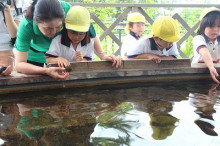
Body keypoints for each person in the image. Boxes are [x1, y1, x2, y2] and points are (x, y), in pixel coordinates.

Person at [14, 0, 96, 80]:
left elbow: (91, 32)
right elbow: (19, 65)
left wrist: (102, 55)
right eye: (48, 28)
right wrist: (45, 70)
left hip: (58, 55)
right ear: (36, 21)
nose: (53, 32)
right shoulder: (26, 26)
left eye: (58, 27)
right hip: (34, 54)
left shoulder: (69, 11)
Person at [46, 6, 122, 68]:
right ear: (66, 27)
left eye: (81, 33)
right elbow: (47, 60)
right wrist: (58, 59)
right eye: (73, 32)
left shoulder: (89, 41)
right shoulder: (58, 40)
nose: (77, 37)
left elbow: (88, 60)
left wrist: (82, 60)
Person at [0, 0, 29, 76]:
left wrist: (7, 10)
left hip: (5, 49)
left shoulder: (23, 3)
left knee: (4, 77)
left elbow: (15, 36)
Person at [192, 7, 220, 83]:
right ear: (202, 26)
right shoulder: (198, 39)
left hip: (216, 71)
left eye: (219, 26)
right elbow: (204, 51)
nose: (216, 29)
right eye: (211, 26)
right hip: (197, 73)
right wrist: (211, 67)